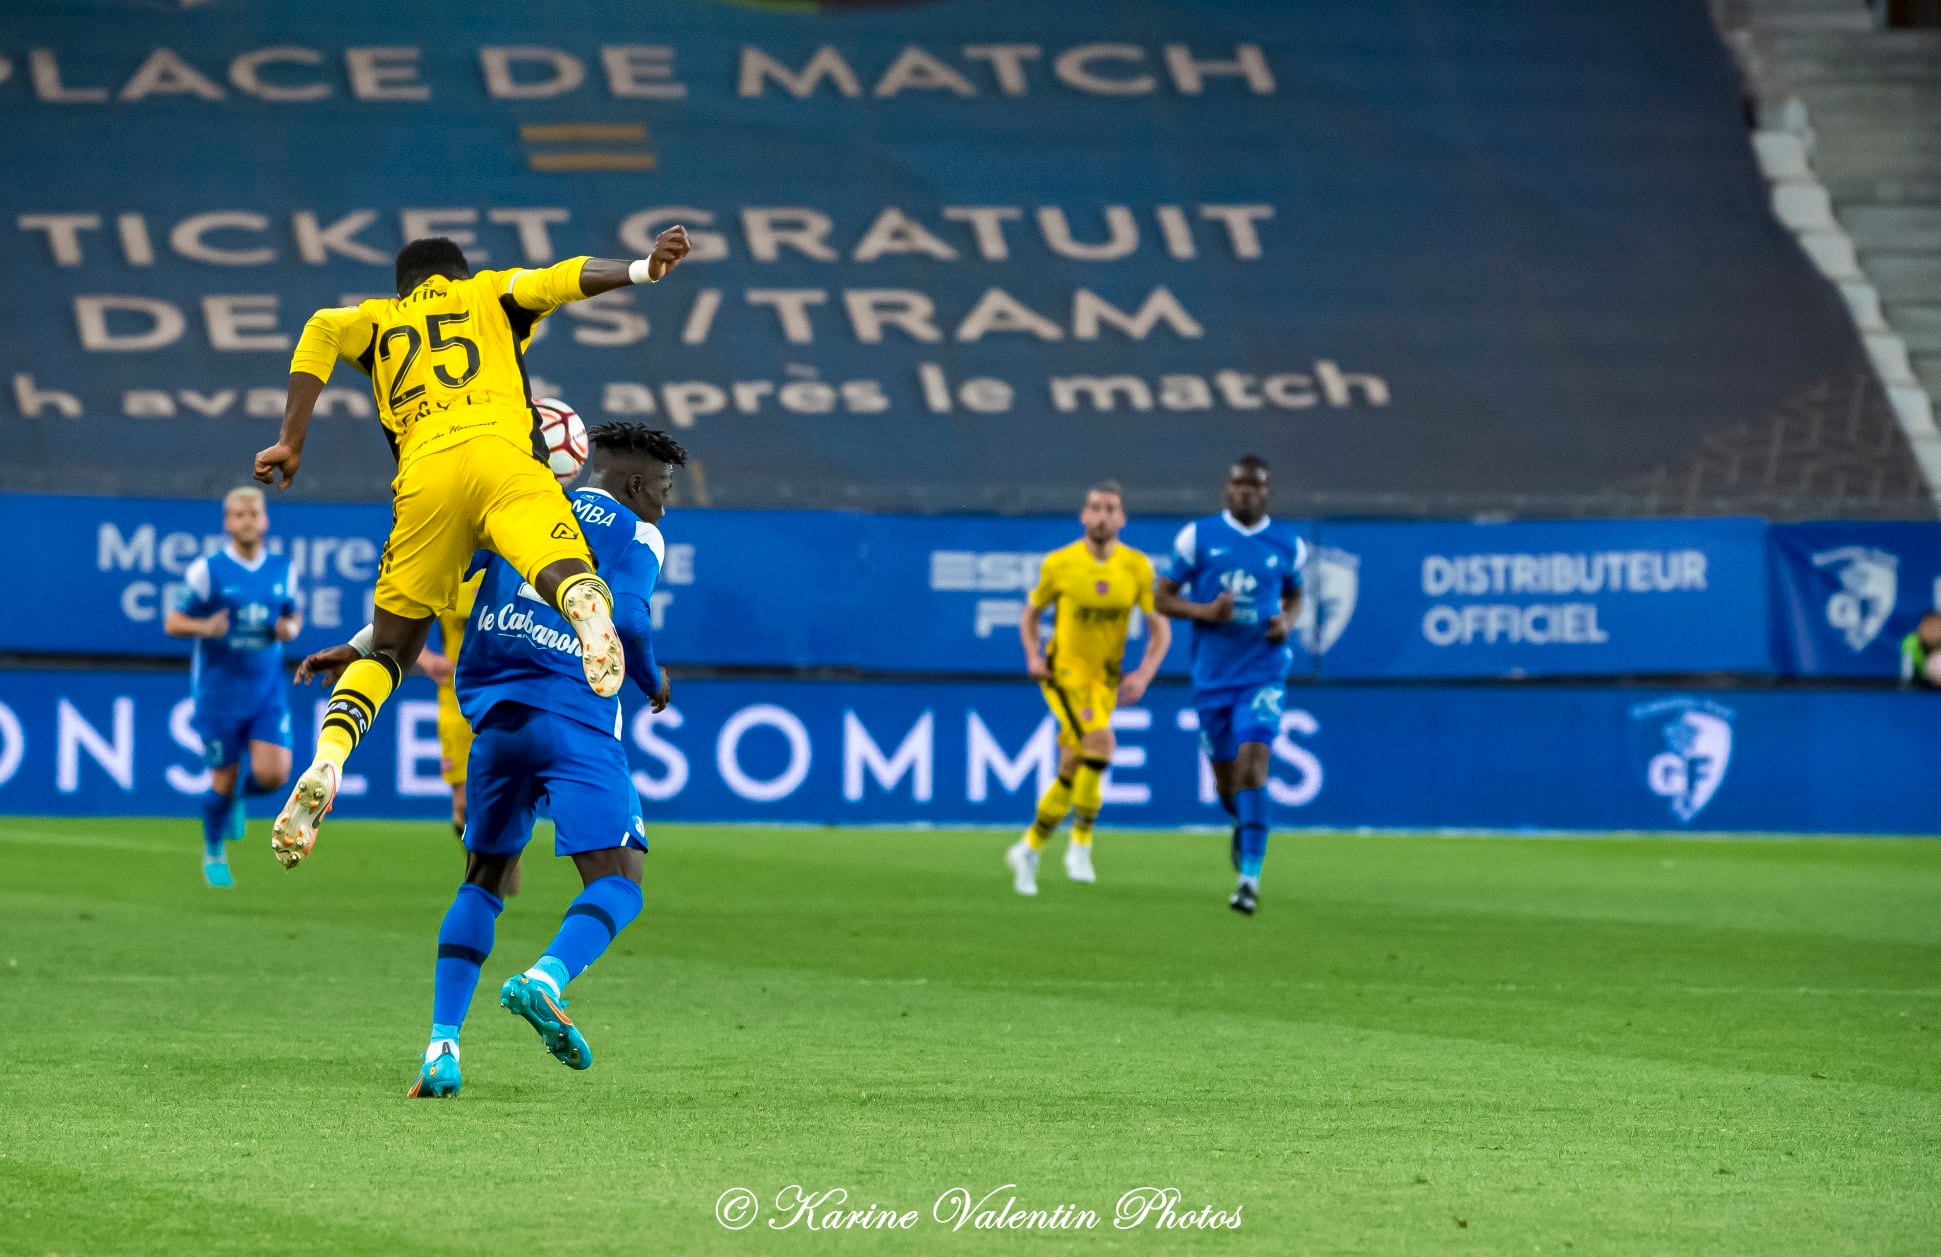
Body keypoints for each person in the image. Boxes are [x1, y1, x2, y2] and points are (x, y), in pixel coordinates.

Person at [255, 228, 690, 871]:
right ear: (460, 273)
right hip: (502, 459)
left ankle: (329, 760)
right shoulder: (487, 292)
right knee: (565, 571)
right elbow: (562, 278)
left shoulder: (374, 321)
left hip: (425, 476)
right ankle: (583, 605)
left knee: (396, 651)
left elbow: (318, 330)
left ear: (401, 287)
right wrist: (642, 270)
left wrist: (291, 440)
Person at [297, 423, 680, 1098]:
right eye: (665, 489)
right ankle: (545, 979)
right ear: (635, 483)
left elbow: (431, 585)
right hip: (573, 717)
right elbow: (635, 622)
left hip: (496, 722)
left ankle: (441, 1048)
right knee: (621, 877)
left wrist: (360, 646)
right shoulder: (638, 531)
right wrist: (650, 677)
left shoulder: (521, 509)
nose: (666, 504)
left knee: (482, 880)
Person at [1153, 456, 1303, 916]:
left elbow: (1295, 593)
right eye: (1237, 484)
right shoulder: (1197, 537)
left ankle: (1248, 883)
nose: (1243, 492)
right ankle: (1246, 826)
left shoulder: (1288, 544)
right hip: (1214, 676)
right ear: (1227, 488)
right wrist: (1204, 613)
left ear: (1266, 491)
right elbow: (1161, 596)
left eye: (1253, 486)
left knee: (1254, 767)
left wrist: (1287, 624)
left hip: (1263, 670)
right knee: (1228, 787)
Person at [1004, 482, 1170, 895]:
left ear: (1122, 518)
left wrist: (1144, 674)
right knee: (1101, 742)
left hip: (1105, 681)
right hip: (1063, 676)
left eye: (1110, 508)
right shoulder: (1060, 563)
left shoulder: (1137, 567)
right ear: (1083, 515)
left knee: (1072, 767)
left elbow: (1160, 629)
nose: (1101, 516)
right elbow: (1030, 614)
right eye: (1094, 507)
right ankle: (1080, 843)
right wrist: (1032, 654)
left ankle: (1030, 847)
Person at [163, 487, 302, 887]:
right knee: (220, 778)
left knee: (276, 774)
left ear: (264, 520)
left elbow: (293, 618)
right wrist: (206, 627)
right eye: (238, 514)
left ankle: (239, 795)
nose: (246, 520)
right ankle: (213, 852)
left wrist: (287, 630)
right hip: (219, 692)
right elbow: (173, 622)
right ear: (227, 523)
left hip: (265, 689)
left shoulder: (282, 569)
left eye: (253, 513)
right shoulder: (208, 571)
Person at [1901, 610, 1941, 689]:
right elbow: (1906, 676)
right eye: (1928, 627)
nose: (1932, 631)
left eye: (1937, 627)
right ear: (1919, 628)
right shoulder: (1910, 642)